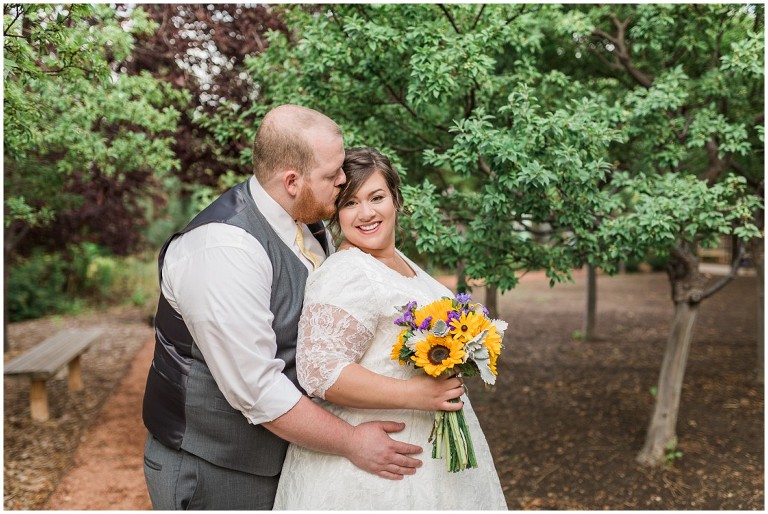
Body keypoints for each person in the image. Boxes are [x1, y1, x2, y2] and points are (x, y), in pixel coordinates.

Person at [141, 106, 460, 510]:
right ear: (292, 181)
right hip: (215, 469)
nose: (344, 180)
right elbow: (257, 388)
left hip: (294, 457)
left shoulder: (309, 224)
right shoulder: (223, 250)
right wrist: (351, 440)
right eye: (332, 175)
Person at [273, 147, 508, 510]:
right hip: (375, 471)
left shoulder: (402, 263)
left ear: (396, 200)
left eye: (376, 197)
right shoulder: (347, 271)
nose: (366, 213)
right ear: (336, 212)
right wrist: (416, 395)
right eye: (350, 203)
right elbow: (320, 372)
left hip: (431, 459)